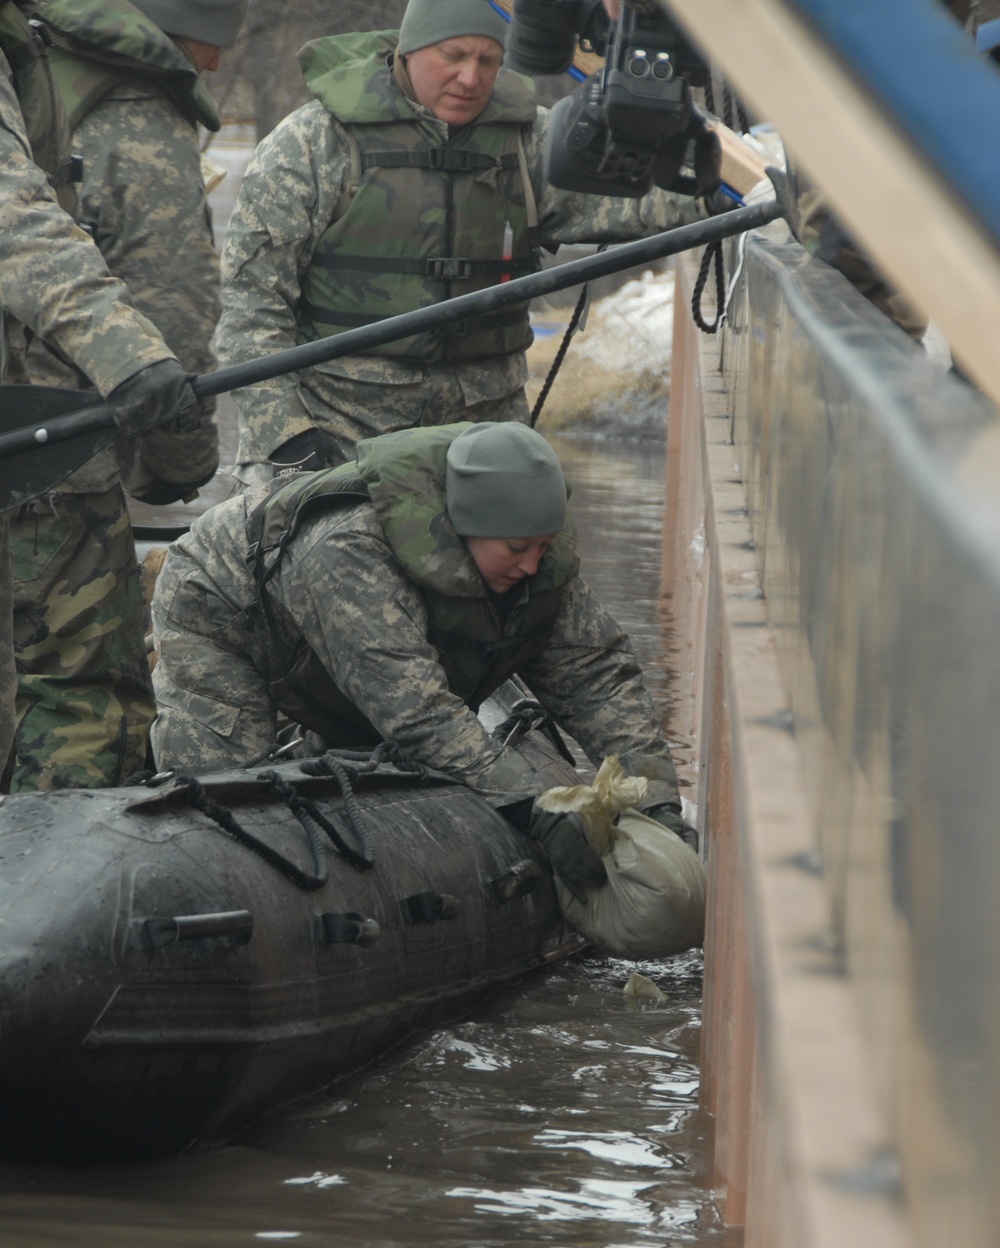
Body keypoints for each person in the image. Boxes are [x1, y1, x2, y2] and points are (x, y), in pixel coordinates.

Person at [150, 421, 695, 892]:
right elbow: (416, 710)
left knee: (359, 753)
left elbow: (596, 678)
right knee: (223, 803)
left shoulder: (531, 557)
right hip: (227, 608)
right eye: (516, 549)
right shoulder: (348, 549)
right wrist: (537, 809)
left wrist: (655, 799)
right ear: (463, 526)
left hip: (353, 640)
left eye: (543, 547)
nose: (532, 565)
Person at [217, 0, 710, 485]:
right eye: (453, 56)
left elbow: (638, 202)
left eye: (488, 60)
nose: (471, 78)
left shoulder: (531, 141)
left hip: (484, 435)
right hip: (338, 430)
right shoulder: (311, 143)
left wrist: (722, 187)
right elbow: (252, 305)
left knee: (542, 559)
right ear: (409, 50)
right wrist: (284, 436)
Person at [7, 0, 246, 793]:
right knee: (80, 686)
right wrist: (178, 462)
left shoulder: (33, 67)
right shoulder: (137, 110)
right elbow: (171, 302)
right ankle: (55, 885)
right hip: (50, 442)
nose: (214, 67)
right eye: (214, 47)